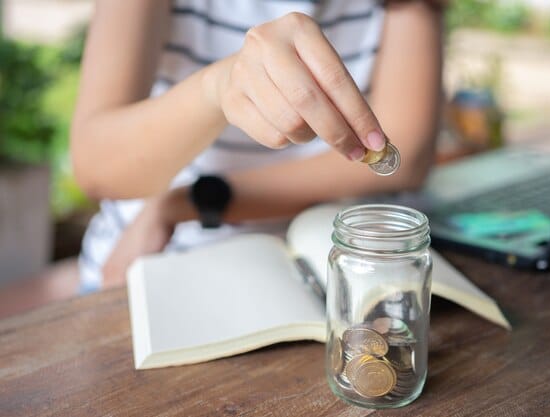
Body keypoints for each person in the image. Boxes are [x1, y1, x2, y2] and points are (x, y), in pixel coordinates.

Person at [71, 0, 444, 292]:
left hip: (336, 267)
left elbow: (406, 154)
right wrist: (217, 87)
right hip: (157, 265)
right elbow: (96, 167)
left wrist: (192, 201)